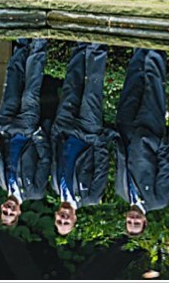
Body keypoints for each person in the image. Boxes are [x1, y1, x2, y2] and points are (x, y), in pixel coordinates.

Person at [50, 43, 118, 235]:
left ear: (55, 215)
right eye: (66, 222)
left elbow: (56, 155)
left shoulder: (55, 186)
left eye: (59, 221)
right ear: (74, 219)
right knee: (92, 87)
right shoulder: (91, 196)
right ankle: (97, 46)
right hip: (88, 131)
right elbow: (102, 164)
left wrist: (57, 132)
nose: (63, 219)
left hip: (65, 127)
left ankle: (79, 44)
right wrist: (96, 139)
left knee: (71, 84)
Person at [114, 48, 169, 237]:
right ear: (145, 221)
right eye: (137, 223)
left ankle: (139, 46)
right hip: (149, 130)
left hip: (125, 128)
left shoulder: (120, 192)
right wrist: (157, 142)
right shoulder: (158, 200)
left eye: (130, 222)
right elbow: (167, 167)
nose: (133, 219)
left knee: (132, 82)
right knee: (154, 84)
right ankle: (156, 46)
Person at [0, 38, 50, 227]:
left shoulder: (0, 182)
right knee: (30, 91)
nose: (8, 209)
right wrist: (38, 136)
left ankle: (21, 42)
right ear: (19, 212)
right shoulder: (35, 191)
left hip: (7, 127)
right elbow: (44, 160)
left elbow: (2, 153)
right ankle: (39, 44)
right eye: (11, 213)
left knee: (11, 82)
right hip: (27, 131)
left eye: (5, 211)